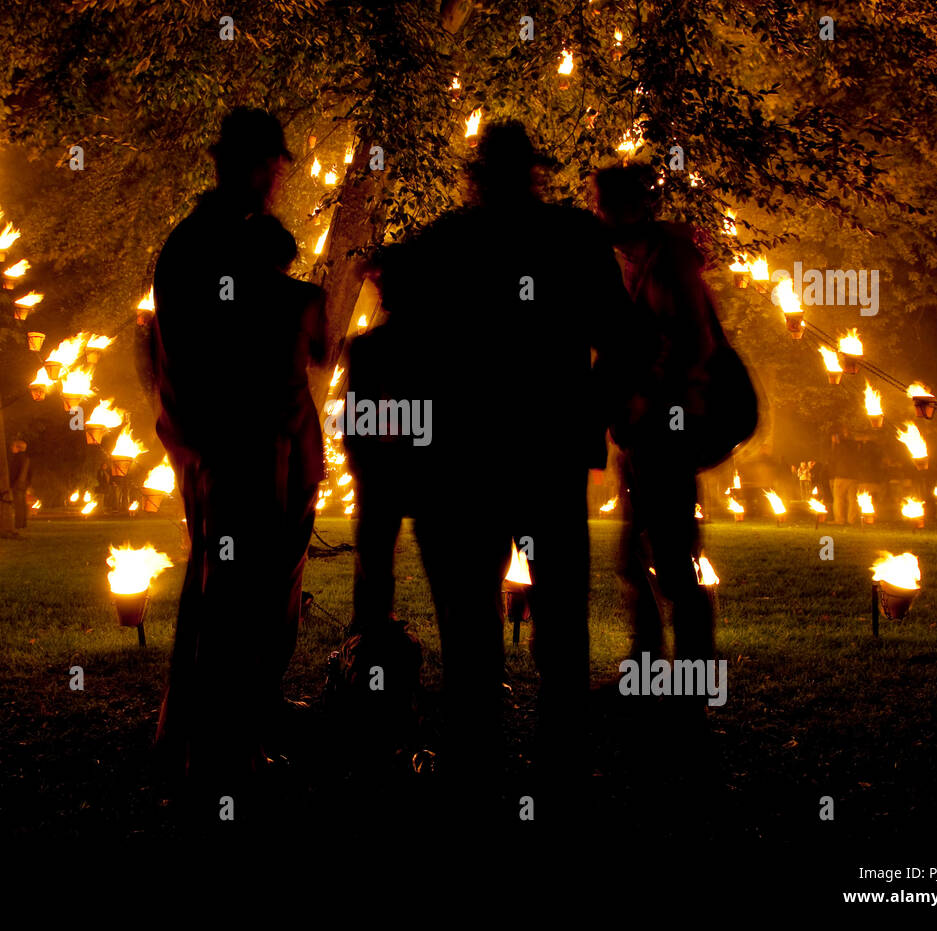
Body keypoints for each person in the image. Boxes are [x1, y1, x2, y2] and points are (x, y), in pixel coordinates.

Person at [369, 122, 647, 812]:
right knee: (560, 624)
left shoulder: (446, 242)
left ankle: (475, 770)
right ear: (535, 173)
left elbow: (401, 341)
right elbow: (625, 340)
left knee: (470, 629)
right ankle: (560, 769)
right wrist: (591, 411)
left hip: (464, 465)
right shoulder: (576, 238)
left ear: (477, 177)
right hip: (545, 458)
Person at [147, 107, 325, 789]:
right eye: (273, 166)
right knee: (232, 601)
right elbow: (210, 355)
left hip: (242, 448)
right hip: (238, 450)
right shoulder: (209, 248)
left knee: (229, 595)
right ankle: (220, 754)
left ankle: (204, 733)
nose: (277, 179)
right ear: (254, 167)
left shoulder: (211, 241)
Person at [595, 162, 718, 668]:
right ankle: (646, 669)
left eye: (604, 207)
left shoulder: (668, 262)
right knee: (632, 559)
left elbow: (692, 341)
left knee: (670, 563)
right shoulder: (636, 263)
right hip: (641, 434)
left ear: (633, 207)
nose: (599, 217)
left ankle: (690, 679)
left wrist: (648, 395)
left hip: (667, 431)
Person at [9, 440, 31, 529]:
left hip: (17, 484)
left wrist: (10, 482)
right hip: (24, 484)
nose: (12, 448)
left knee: (18, 504)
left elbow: (14, 472)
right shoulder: (26, 458)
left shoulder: (16, 458)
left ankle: (18, 524)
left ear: (18, 448)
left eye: (13, 446)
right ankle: (23, 523)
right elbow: (30, 472)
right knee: (22, 504)